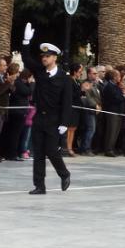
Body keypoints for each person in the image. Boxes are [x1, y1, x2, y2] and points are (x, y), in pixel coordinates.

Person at [20, 23, 72, 195]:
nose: (44, 58)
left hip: (53, 119)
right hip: (39, 118)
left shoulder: (64, 78)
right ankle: (39, 186)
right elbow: (26, 59)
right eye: (43, 56)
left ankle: (64, 174)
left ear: (54, 58)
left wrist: (64, 122)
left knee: (51, 150)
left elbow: (67, 102)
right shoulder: (40, 72)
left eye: (47, 56)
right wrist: (26, 41)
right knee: (38, 153)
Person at [4, 64, 32, 161]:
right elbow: (28, 92)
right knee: (15, 134)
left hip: (21, 111)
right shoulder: (18, 83)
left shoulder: (20, 82)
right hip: (17, 111)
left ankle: (16, 153)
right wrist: (31, 83)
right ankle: (12, 154)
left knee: (18, 134)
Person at [101, 69, 125, 156]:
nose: (120, 77)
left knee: (116, 132)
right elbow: (116, 99)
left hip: (118, 112)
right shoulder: (109, 87)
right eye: (118, 76)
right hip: (112, 112)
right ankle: (108, 149)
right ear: (114, 77)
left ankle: (112, 148)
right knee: (111, 131)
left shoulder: (116, 86)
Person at [64, 63, 84, 157]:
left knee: (73, 128)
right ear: (75, 71)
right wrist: (82, 90)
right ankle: (67, 148)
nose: (81, 73)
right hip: (71, 108)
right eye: (79, 71)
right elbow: (71, 95)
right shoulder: (69, 80)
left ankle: (70, 147)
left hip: (76, 108)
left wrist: (83, 91)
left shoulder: (77, 81)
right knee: (70, 128)